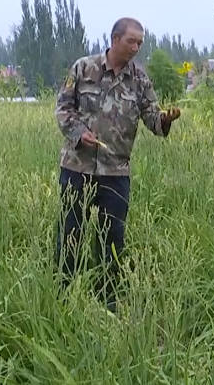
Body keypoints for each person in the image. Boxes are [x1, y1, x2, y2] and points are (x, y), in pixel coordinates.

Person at [54, 17, 181, 312]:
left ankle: (107, 301)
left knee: (112, 238)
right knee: (71, 234)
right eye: (131, 41)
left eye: (140, 43)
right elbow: (63, 108)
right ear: (114, 38)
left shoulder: (140, 79)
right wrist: (78, 133)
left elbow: (152, 118)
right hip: (77, 168)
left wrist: (164, 121)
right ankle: (62, 297)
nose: (136, 47)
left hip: (116, 172)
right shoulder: (84, 68)